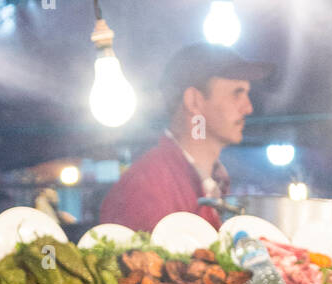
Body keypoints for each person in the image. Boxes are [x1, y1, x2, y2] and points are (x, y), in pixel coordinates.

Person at [99, 43, 272, 233]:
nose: (248, 108)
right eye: (237, 93)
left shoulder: (214, 182)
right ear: (194, 101)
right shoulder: (145, 187)